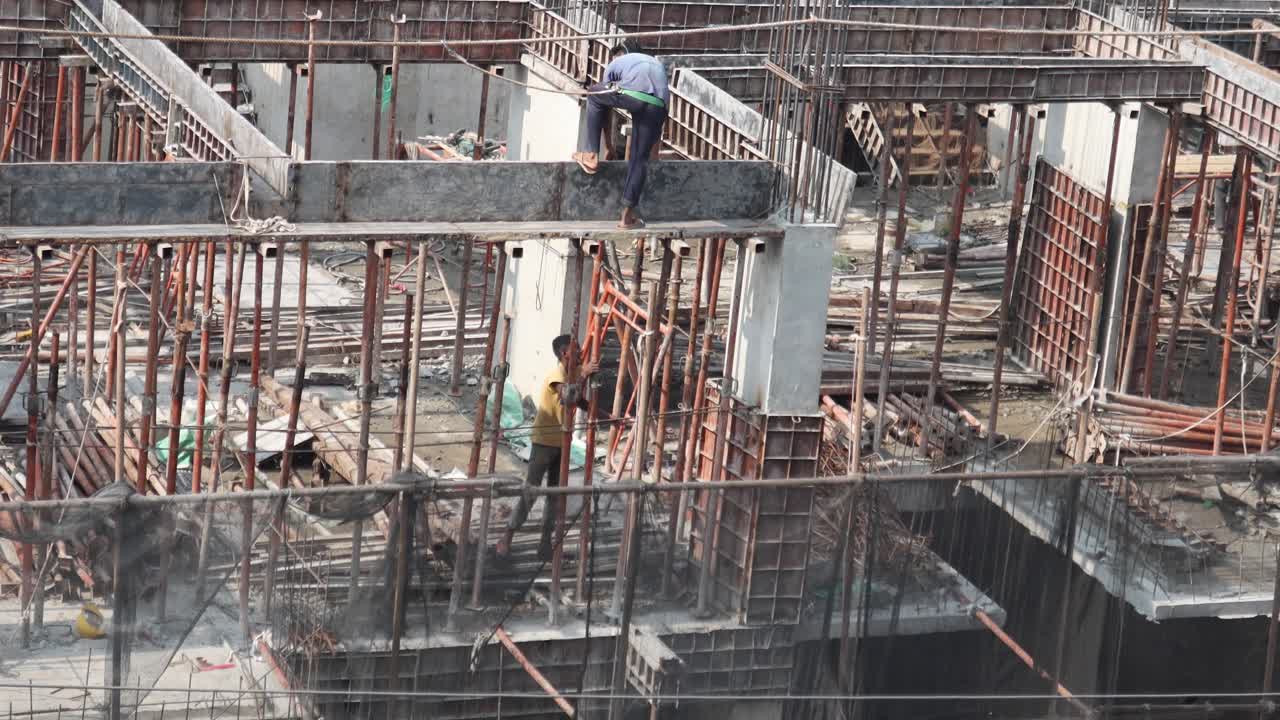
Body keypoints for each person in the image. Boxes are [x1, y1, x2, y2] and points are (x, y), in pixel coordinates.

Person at [496, 334, 599, 560]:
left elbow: (578, 399)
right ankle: (507, 536)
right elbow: (568, 396)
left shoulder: (572, 372)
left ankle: (545, 544)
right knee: (531, 491)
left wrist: (594, 409)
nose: (581, 351)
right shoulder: (557, 375)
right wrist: (583, 374)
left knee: (554, 497)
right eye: (576, 348)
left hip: (562, 444)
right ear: (564, 353)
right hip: (544, 443)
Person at [572, 44, 670, 230]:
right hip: (657, 106)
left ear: (619, 55)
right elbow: (662, 116)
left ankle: (590, 154)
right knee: (638, 161)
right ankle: (626, 219)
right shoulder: (656, 65)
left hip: (633, 96)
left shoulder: (617, 63)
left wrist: (607, 146)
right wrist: (653, 156)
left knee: (593, 93)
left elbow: (603, 108)